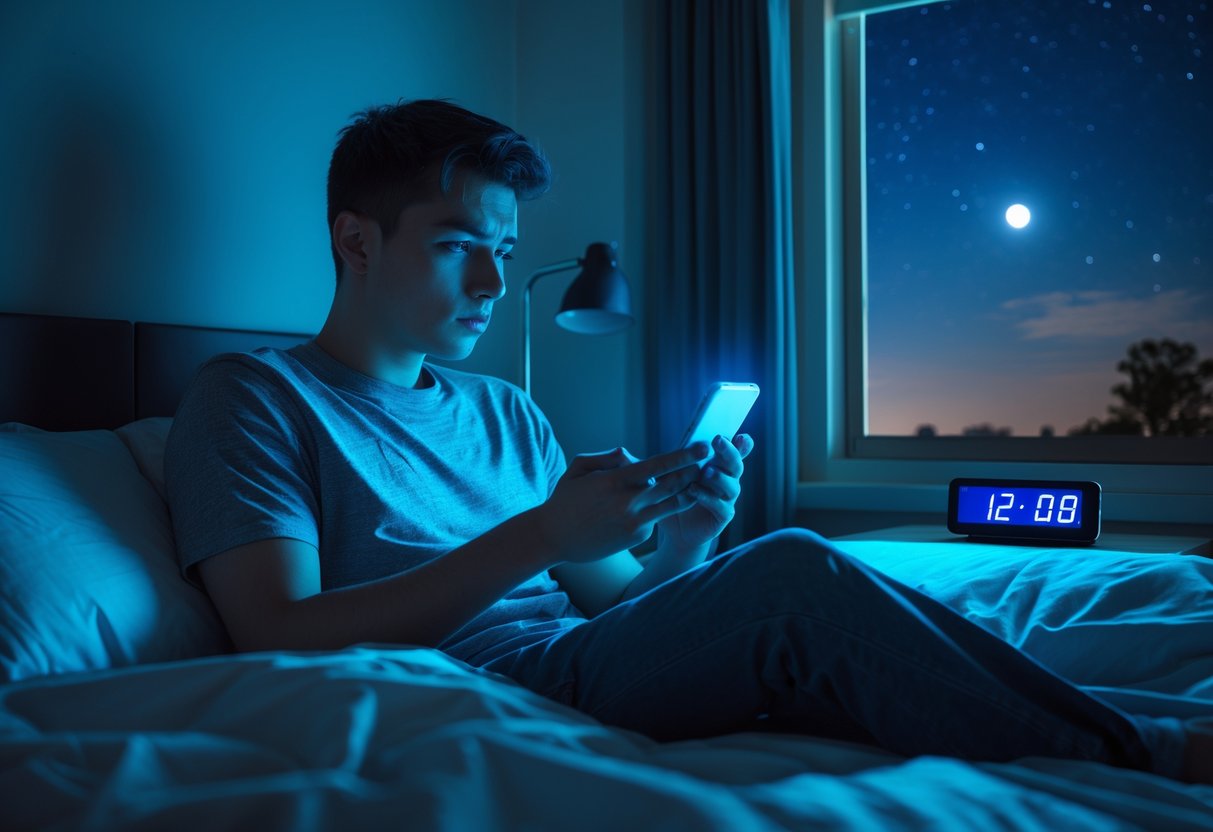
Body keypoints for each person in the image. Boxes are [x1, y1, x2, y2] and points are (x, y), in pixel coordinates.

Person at [164, 98, 1210, 783]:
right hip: (486, 686)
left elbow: (623, 604)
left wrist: (690, 543)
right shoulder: (252, 397)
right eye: (455, 247)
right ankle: (1147, 752)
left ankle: (1120, 725)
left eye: (502, 252)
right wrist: (540, 536)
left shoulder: (503, 409)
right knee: (796, 572)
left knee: (809, 578)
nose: (490, 283)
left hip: (574, 656)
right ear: (356, 240)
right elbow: (277, 633)